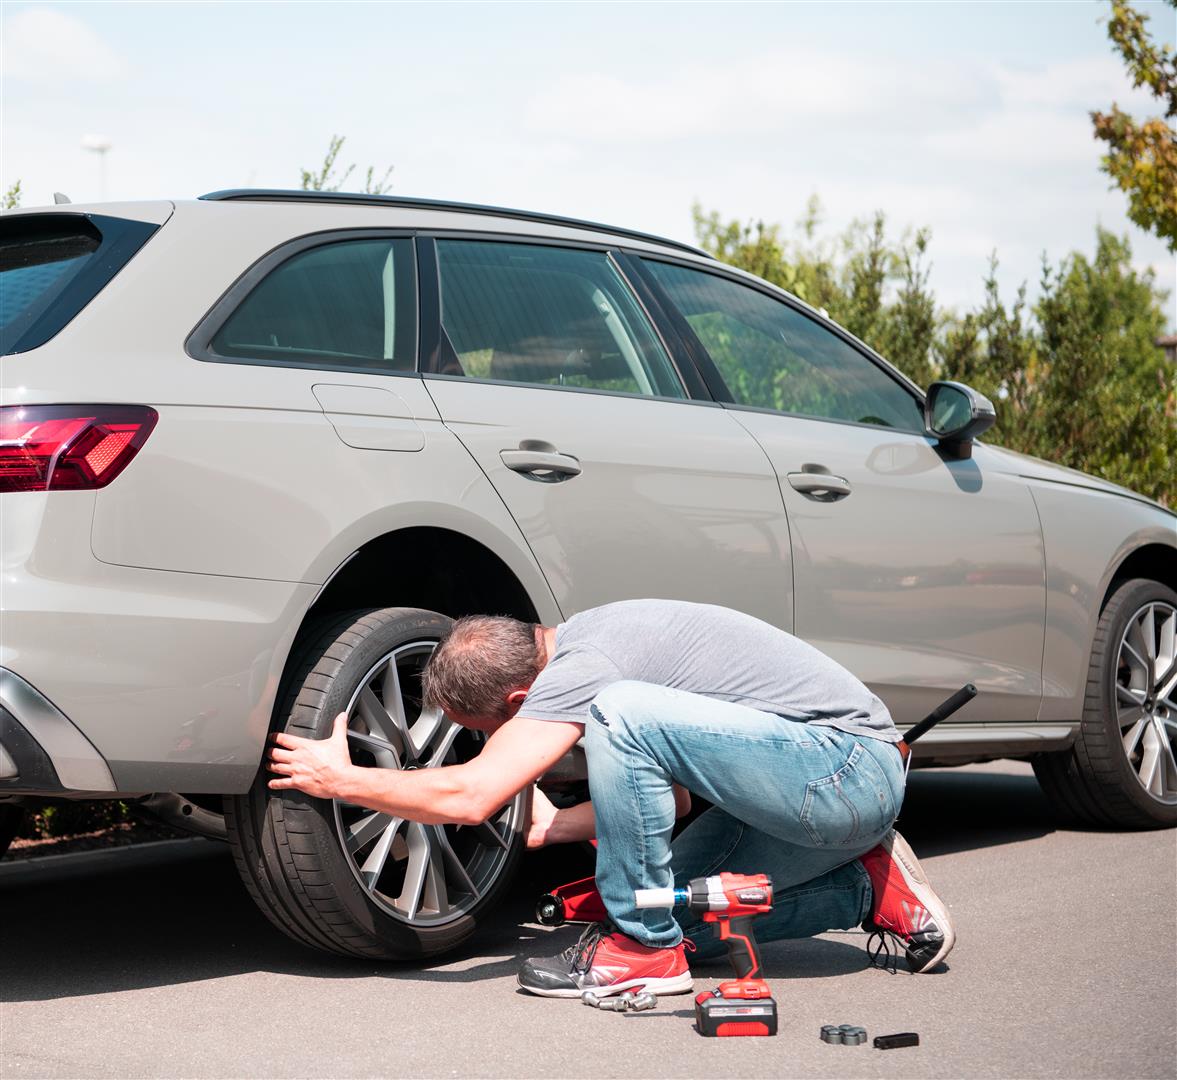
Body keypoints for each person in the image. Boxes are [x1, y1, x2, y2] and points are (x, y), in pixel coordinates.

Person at [267, 599, 954, 997]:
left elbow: (473, 795)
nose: (498, 745)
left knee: (621, 713)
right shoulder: (581, 636)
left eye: (494, 732)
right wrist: (555, 827)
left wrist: (340, 780)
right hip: (812, 788)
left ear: (518, 700)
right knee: (688, 914)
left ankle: (642, 950)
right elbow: (675, 802)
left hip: (845, 770)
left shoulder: (586, 673)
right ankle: (866, 887)